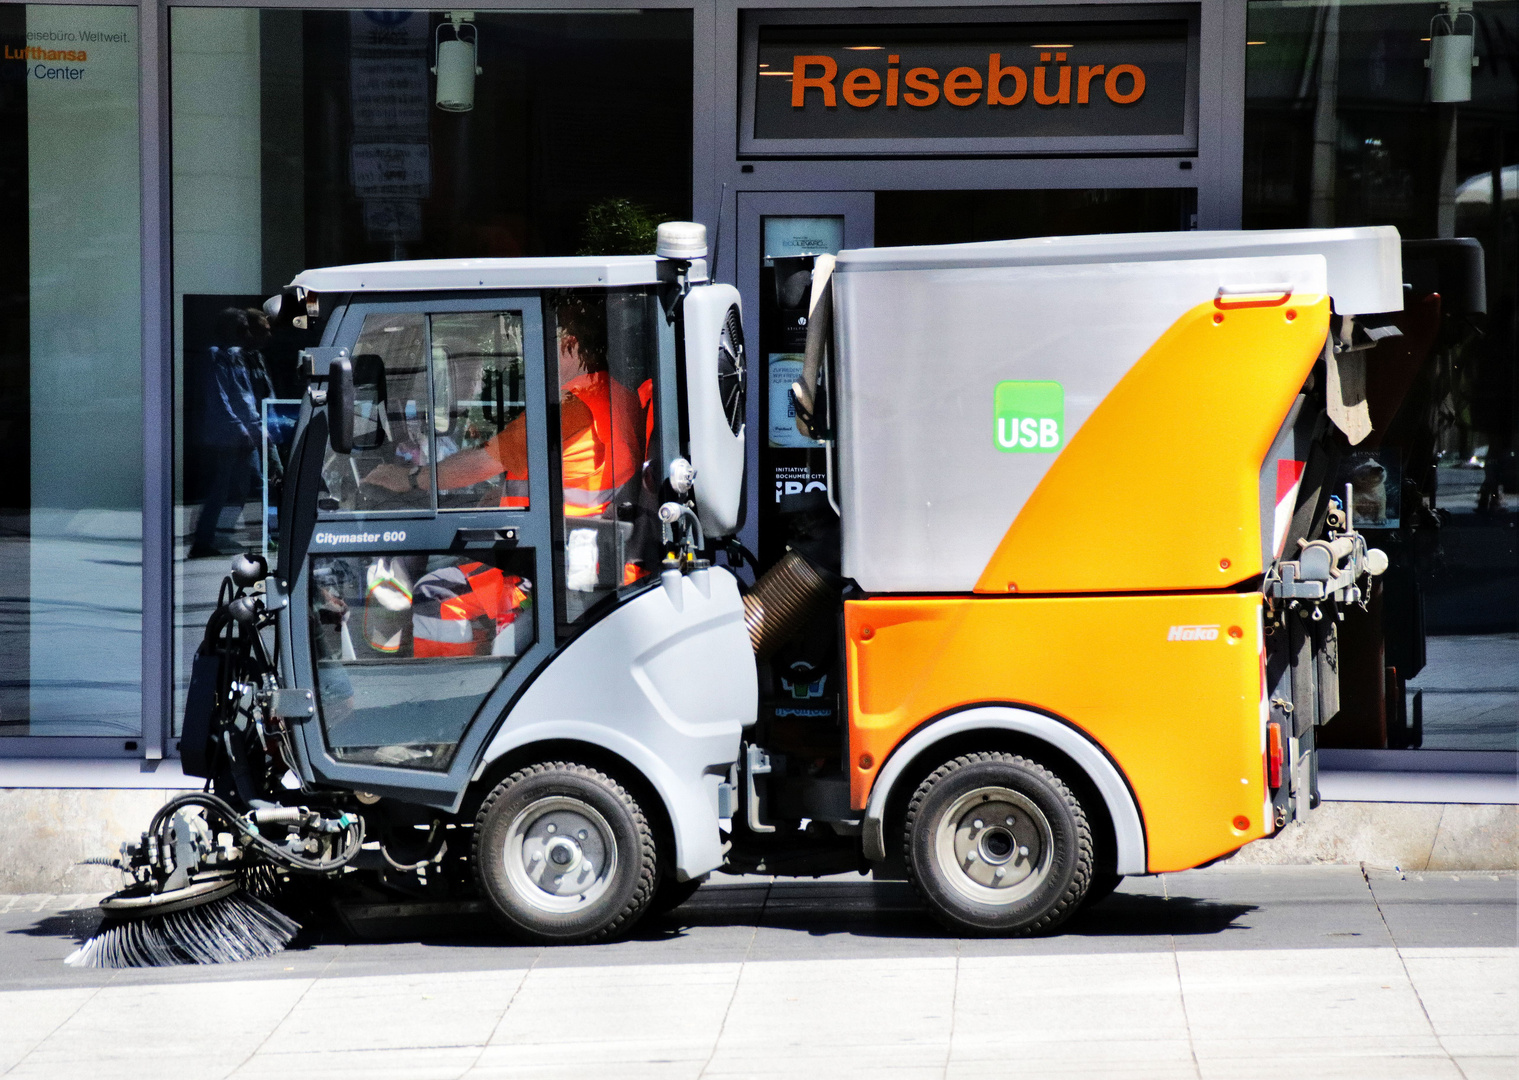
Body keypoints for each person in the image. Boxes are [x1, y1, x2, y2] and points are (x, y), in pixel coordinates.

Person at [191, 308, 265, 558]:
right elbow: (220, 397)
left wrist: (255, 425)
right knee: (224, 487)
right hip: (229, 435)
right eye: (240, 327)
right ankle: (203, 540)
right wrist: (241, 428)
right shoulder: (216, 355)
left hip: (243, 431)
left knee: (248, 484)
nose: (246, 333)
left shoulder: (235, 355)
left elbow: (245, 397)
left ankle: (217, 535)